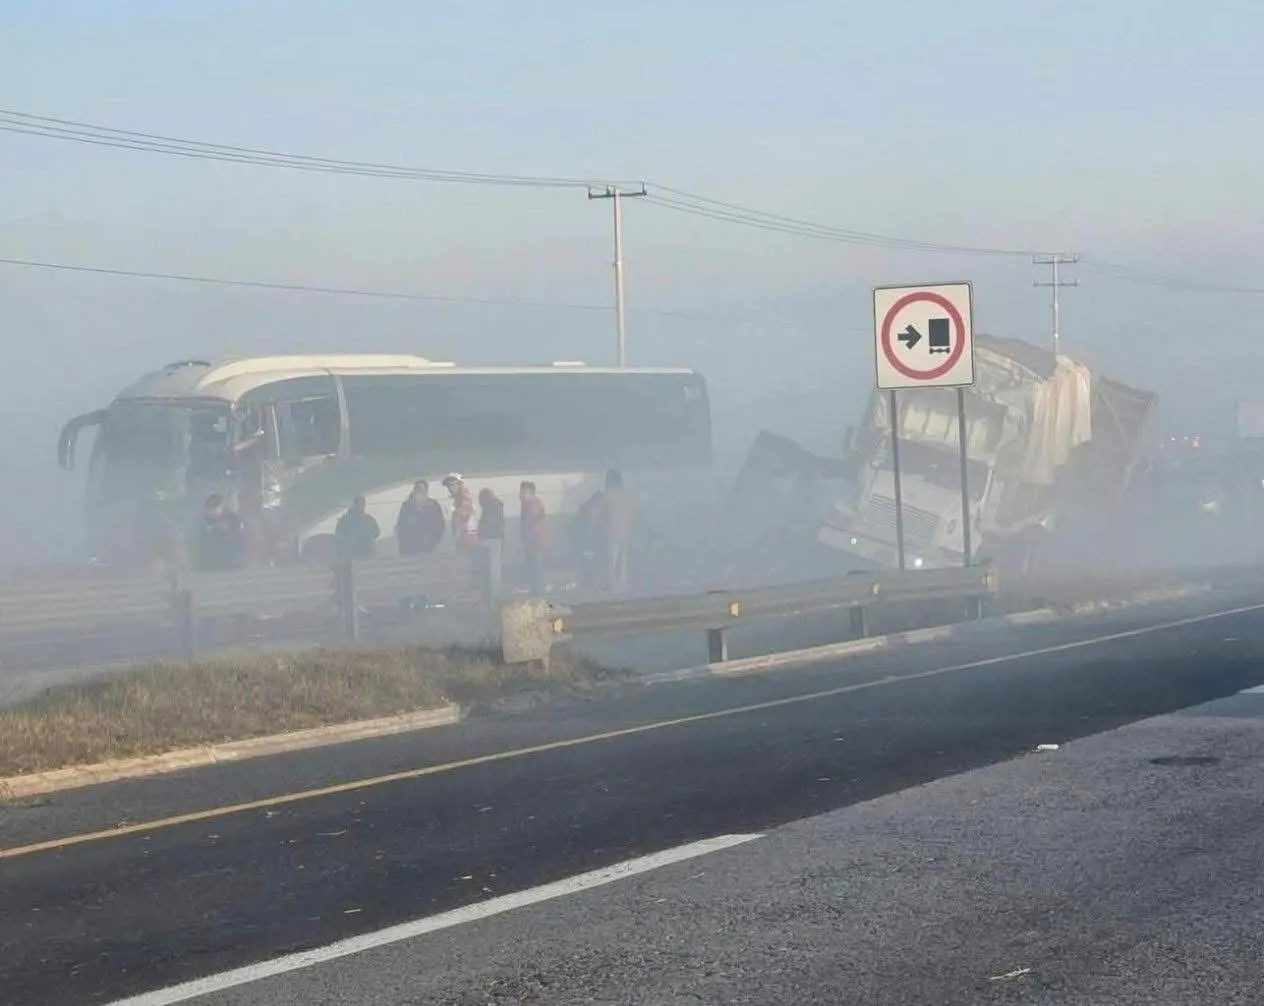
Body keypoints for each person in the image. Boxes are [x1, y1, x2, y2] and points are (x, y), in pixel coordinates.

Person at [600, 469, 635, 592]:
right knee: (624, 560)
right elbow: (632, 515)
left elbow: (603, 515)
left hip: (611, 532)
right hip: (626, 532)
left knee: (611, 560)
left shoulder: (607, 495)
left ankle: (612, 586)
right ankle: (623, 585)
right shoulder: (628, 495)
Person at [193, 493, 248, 571]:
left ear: (221, 507)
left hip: (234, 562)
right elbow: (203, 544)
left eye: (215, 508)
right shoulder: (206, 522)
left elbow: (240, 539)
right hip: (213, 566)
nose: (212, 511)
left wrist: (223, 532)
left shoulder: (234, 519)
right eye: (210, 509)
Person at [395, 480, 445, 556]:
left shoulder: (433, 505)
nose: (420, 492)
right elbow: (401, 524)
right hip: (410, 545)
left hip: (429, 544)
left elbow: (440, 523)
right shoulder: (407, 506)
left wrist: (436, 539)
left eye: (422, 490)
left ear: (426, 491)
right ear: (414, 491)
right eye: (418, 490)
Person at [519, 481, 549, 594]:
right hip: (531, 541)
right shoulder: (526, 505)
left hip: (536, 541)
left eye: (523, 491)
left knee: (536, 566)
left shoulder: (534, 505)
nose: (520, 494)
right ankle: (535, 589)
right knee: (532, 565)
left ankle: (539, 591)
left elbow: (534, 523)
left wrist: (529, 537)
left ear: (531, 492)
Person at [335, 496, 380, 561]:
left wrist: (370, 536)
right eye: (359, 505)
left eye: (362, 505)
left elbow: (377, 532)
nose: (361, 507)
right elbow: (338, 534)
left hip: (367, 551)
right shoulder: (345, 520)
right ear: (354, 505)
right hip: (351, 552)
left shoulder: (369, 519)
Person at [442, 473, 478, 550]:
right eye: (448, 486)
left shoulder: (465, 498)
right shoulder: (458, 499)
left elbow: (467, 519)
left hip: (467, 540)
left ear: (460, 485)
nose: (450, 488)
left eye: (453, 485)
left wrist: (459, 536)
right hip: (464, 539)